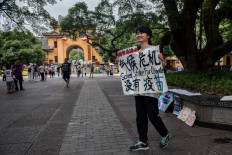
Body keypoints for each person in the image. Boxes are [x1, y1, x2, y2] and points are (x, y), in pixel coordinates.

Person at [129, 26, 170, 151]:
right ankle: (143, 142)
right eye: (137, 33)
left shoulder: (154, 50)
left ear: (148, 36)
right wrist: (121, 61)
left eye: (141, 32)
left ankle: (165, 134)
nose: (139, 35)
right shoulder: (135, 53)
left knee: (153, 116)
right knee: (140, 117)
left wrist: (162, 61)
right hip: (138, 89)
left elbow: (162, 68)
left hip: (151, 89)